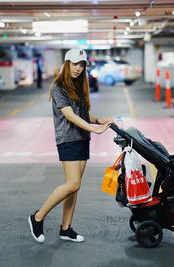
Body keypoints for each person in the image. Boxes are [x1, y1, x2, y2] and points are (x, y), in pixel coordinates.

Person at [28, 48, 114, 243]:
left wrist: (99, 120)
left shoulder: (78, 86)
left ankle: (66, 228)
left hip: (82, 139)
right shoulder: (59, 87)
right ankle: (37, 217)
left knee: (74, 187)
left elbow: (82, 114)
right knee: (72, 183)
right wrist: (95, 130)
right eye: (75, 64)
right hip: (68, 139)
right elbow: (69, 115)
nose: (78, 68)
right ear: (67, 64)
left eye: (82, 65)